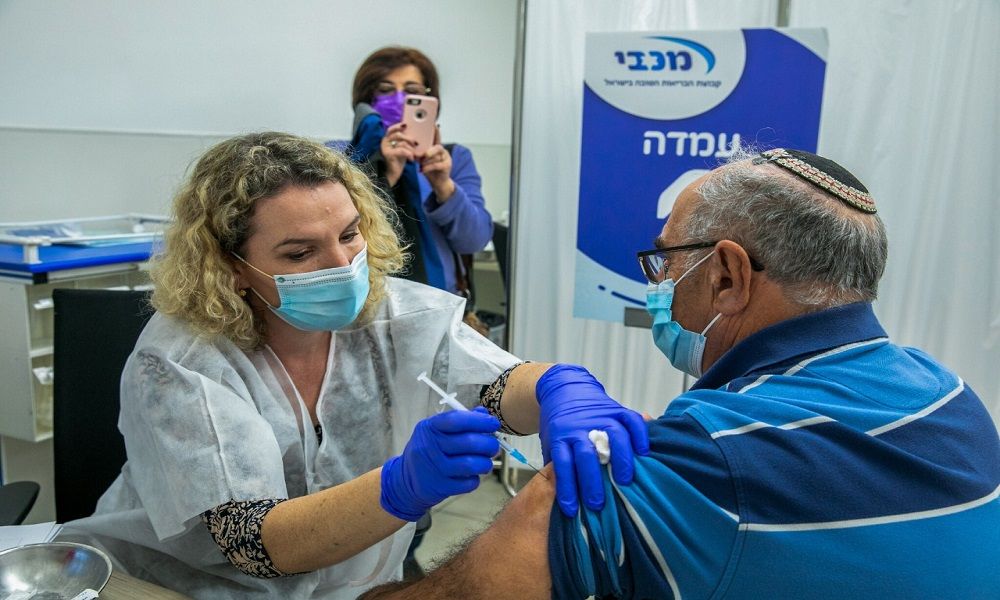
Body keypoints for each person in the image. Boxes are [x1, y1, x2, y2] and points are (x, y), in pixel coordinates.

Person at [358, 148, 1000, 599]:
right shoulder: (950, 396)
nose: (659, 284)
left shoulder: (703, 455)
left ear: (728, 275)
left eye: (665, 261)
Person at [59, 132, 649, 599]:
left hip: (352, 584)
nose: (342, 265)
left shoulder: (395, 315)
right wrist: (400, 486)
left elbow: (498, 386)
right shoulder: (180, 362)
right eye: (300, 252)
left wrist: (558, 388)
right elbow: (253, 543)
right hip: (179, 586)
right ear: (231, 266)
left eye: (349, 234)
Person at [335, 46, 493, 301]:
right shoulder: (341, 155)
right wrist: (384, 175)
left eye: (412, 91)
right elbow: (336, 231)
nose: (399, 99)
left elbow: (474, 240)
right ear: (366, 99)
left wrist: (443, 186)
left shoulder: (454, 158)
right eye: (385, 90)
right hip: (365, 302)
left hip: (439, 303)